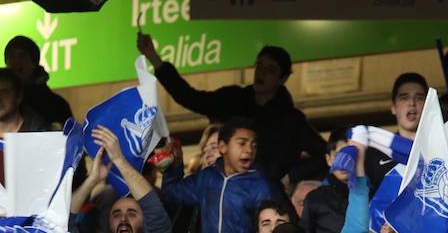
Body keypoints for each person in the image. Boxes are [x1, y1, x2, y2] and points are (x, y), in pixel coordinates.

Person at [137, 36, 326, 182]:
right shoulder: (235, 100)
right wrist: (154, 58)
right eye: (259, 65)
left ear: (283, 78)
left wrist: (290, 177)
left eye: (270, 69)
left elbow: (324, 154)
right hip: (229, 189)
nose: (261, 72)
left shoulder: (291, 120)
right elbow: (191, 98)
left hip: (270, 198)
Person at [0, 35, 72, 128]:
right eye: (11, 56)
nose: (15, 61)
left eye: (22, 56)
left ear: (34, 62)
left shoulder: (54, 104)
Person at [364, 73, 428, 194]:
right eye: (404, 97)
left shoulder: (444, 147)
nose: (412, 103)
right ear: (393, 107)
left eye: (419, 97)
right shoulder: (375, 153)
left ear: (428, 105)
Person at [301, 128, 350, 233]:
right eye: (338, 155)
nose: (343, 161)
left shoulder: (373, 194)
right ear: (328, 160)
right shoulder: (315, 199)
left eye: (349, 154)